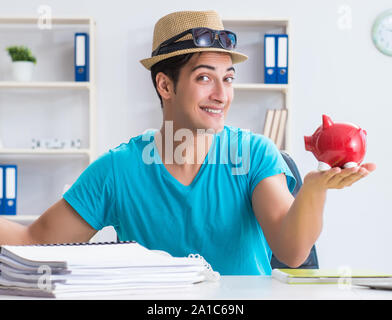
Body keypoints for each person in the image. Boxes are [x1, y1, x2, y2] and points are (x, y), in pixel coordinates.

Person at [0, 10, 376, 275]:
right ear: (165, 85)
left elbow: (292, 252)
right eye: (204, 78)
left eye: (228, 78)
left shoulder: (256, 154)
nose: (221, 94)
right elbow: (35, 240)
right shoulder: (118, 170)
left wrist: (313, 191)